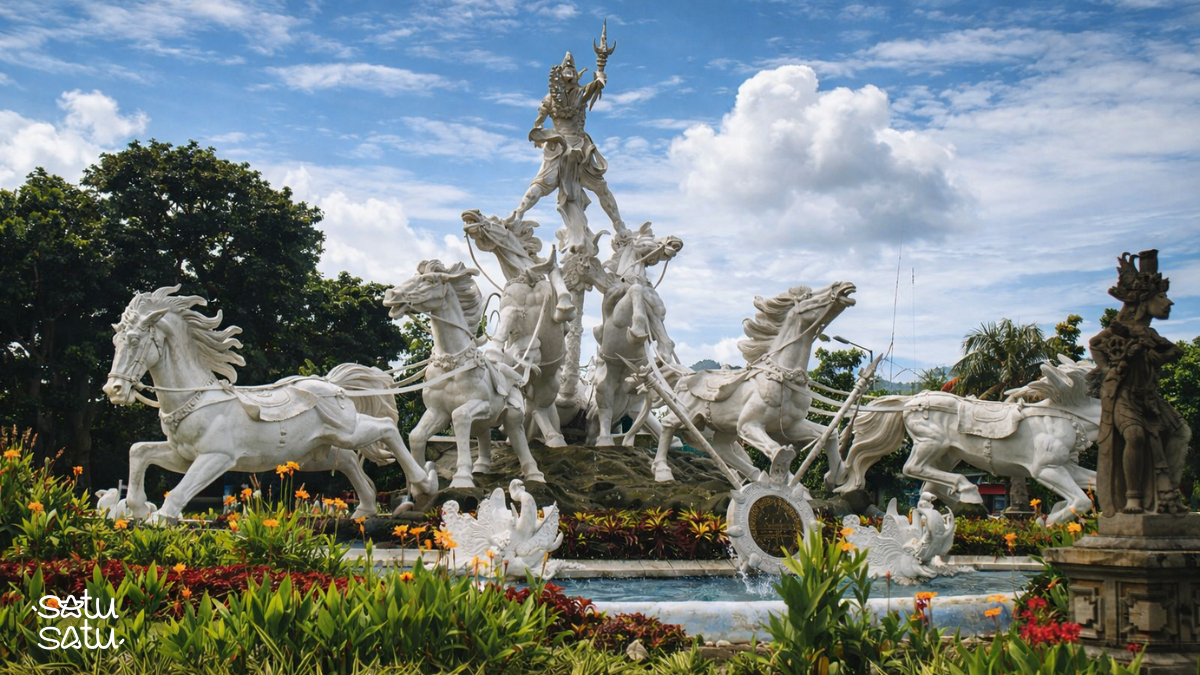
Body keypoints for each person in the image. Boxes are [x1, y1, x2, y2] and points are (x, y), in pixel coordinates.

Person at [1089, 250, 1190, 516]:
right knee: (1134, 436)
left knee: (1181, 433)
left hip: (1149, 399)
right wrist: (1108, 369)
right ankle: (1132, 497)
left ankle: (1165, 496)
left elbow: (1172, 353)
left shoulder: (1150, 333)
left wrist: (1156, 356)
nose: (1168, 303)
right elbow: (1096, 344)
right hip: (1123, 396)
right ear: (1144, 301)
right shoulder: (1121, 328)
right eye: (1161, 297)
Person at [508, 26, 627, 250]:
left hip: (578, 150)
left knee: (597, 188)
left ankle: (620, 227)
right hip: (562, 148)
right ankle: (517, 214)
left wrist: (601, 66)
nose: (570, 78)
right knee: (542, 184)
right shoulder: (562, 97)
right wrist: (601, 68)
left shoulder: (576, 94)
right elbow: (539, 121)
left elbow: (598, 84)